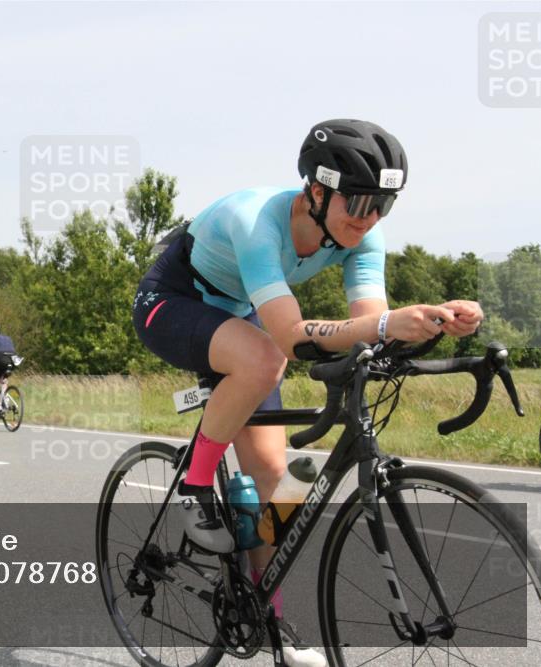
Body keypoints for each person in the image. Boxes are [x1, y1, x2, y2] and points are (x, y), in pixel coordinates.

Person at [132, 119, 483, 666]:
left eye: (382, 206)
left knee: (280, 482)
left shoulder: (365, 237)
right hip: (171, 301)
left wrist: (434, 323)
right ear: (316, 191)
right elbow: (294, 341)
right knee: (265, 358)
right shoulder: (258, 224)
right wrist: (389, 325)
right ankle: (195, 485)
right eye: (359, 202)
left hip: (239, 313)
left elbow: (370, 324)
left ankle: (265, 615)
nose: (368, 220)